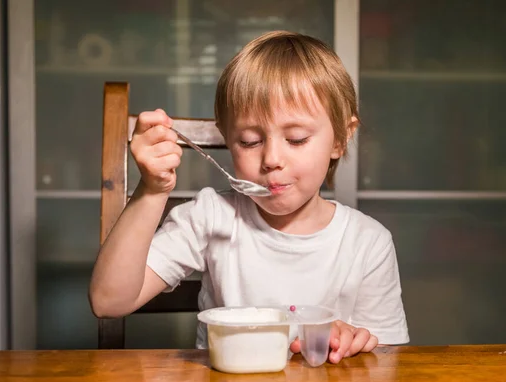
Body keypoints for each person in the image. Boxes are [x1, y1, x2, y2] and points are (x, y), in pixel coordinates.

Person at [89, 30, 408, 363]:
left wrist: (357, 342)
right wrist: (152, 189)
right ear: (228, 140)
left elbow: (387, 363)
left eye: (296, 139)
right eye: (250, 142)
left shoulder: (367, 242)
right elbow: (107, 302)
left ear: (340, 139)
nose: (271, 159)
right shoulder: (212, 216)